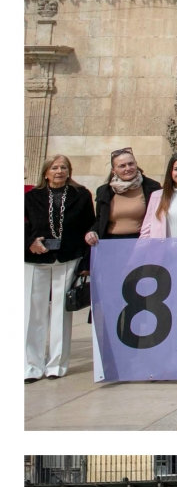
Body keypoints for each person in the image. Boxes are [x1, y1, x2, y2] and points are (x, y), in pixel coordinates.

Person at [24, 155, 94, 383]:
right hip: (35, 258)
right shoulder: (31, 196)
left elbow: (89, 228)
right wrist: (29, 243)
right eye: (54, 167)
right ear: (46, 172)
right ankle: (32, 366)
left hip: (68, 257)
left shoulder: (81, 195)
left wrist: (86, 263)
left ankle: (56, 365)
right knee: (33, 314)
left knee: (61, 313)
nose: (59, 171)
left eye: (64, 167)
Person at [86, 147, 162, 249]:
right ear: (114, 170)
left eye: (131, 164)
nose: (128, 168)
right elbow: (100, 220)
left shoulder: (153, 188)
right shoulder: (104, 191)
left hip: (142, 243)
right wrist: (92, 232)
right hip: (111, 244)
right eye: (122, 166)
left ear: (136, 164)